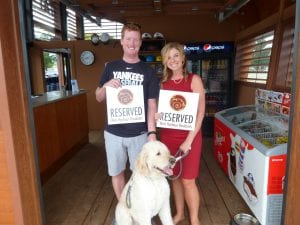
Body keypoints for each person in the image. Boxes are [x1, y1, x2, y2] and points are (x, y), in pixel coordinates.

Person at [95, 23, 159, 202]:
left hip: (139, 133)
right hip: (113, 133)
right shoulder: (110, 67)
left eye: (136, 39)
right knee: (116, 173)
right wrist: (106, 86)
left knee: (143, 175)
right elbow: (98, 97)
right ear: (122, 41)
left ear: (140, 43)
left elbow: (152, 104)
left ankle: (143, 213)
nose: (132, 43)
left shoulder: (149, 71)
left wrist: (152, 132)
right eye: (128, 39)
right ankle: (124, 209)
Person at [159, 42, 205, 225]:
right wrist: (158, 115)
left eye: (176, 55)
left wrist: (189, 140)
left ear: (183, 58)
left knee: (188, 180)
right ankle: (180, 214)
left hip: (190, 138)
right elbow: (164, 112)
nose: (173, 60)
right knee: (175, 178)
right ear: (164, 61)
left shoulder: (194, 79)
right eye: (168, 57)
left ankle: (195, 219)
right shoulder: (163, 83)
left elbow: (200, 114)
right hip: (168, 136)